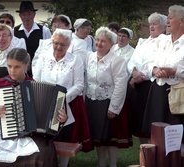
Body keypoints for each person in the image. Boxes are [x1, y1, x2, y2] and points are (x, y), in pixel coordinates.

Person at [0, 48, 67, 167]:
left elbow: (49, 118)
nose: (12, 71)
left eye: (17, 67)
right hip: (4, 126)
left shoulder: (34, 85)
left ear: (25, 66)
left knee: (42, 153)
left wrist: (61, 118)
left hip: (30, 132)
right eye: (9, 66)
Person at [33, 28, 92, 167]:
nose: (59, 47)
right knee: (44, 136)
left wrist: (61, 99)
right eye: (56, 43)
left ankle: (63, 165)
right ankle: (46, 162)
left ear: (69, 45)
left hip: (67, 104)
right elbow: (36, 78)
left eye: (63, 44)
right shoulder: (43, 56)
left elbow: (79, 85)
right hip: (44, 102)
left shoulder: (75, 60)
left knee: (64, 137)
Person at [85, 27, 130, 167]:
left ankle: (113, 164)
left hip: (109, 102)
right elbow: (86, 80)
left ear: (111, 44)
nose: (98, 43)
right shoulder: (89, 57)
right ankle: (101, 162)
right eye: (97, 40)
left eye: (103, 41)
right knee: (99, 135)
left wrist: (114, 108)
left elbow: (121, 85)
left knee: (111, 136)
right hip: (92, 101)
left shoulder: (117, 60)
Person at [142, 5, 184, 139]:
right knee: (155, 133)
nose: (167, 21)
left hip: (178, 94)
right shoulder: (162, 40)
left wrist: (174, 71)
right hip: (158, 91)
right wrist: (154, 69)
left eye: (171, 18)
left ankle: (176, 160)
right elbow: (146, 61)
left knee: (175, 135)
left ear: (182, 21)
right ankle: (154, 159)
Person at [127, 12, 167, 144]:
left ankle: (153, 156)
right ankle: (143, 155)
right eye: (150, 24)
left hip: (151, 86)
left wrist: (141, 76)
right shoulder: (143, 42)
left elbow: (158, 63)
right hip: (137, 86)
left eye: (155, 24)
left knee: (150, 124)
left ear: (163, 27)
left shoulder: (164, 42)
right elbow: (133, 60)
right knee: (139, 124)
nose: (152, 26)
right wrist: (133, 72)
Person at [14, 1, 52, 76]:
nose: (26, 17)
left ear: (34, 15)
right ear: (20, 16)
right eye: (24, 14)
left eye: (29, 14)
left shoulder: (44, 30)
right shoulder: (14, 31)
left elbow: (49, 50)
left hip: (39, 69)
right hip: (20, 70)